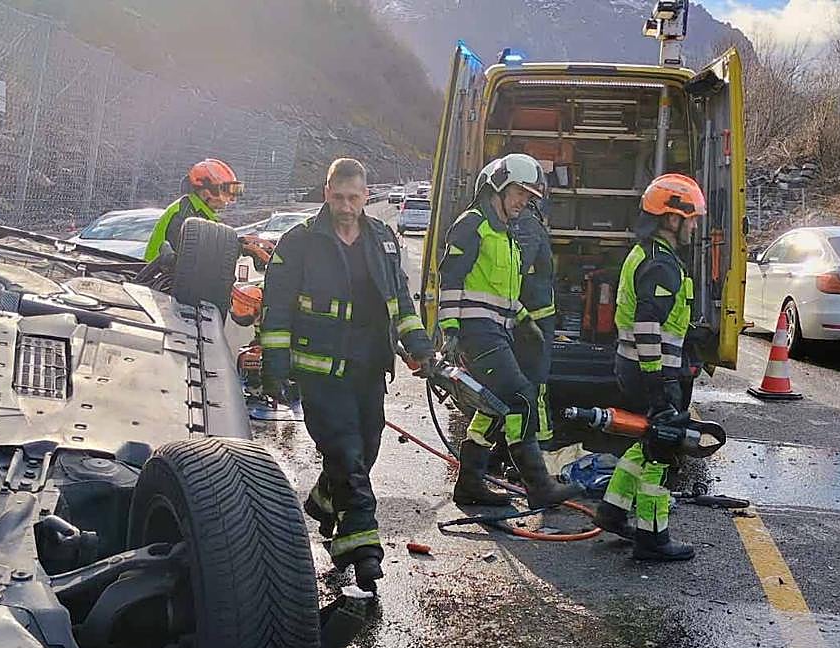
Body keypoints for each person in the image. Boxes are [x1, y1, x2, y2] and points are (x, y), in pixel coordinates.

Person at [260, 158, 434, 592]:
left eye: (354, 198)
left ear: (366, 197)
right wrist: (276, 364)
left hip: (370, 366)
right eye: (338, 197)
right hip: (321, 373)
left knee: (366, 450)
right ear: (325, 194)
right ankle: (362, 552)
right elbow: (276, 308)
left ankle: (323, 502)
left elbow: (399, 302)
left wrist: (420, 346)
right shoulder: (298, 243)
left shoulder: (382, 239)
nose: (345, 206)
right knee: (347, 454)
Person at [439, 154, 579, 509]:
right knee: (521, 398)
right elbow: (451, 280)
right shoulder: (473, 225)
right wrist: (450, 330)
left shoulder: (507, 236)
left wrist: (524, 321)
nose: (523, 201)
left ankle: (470, 484)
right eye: (519, 192)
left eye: (529, 196)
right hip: (476, 333)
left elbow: (501, 294)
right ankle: (539, 486)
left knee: (494, 405)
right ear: (497, 186)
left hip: (497, 331)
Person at [592, 173, 705, 562]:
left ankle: (612, 510)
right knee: (663, 449)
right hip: (650, 372)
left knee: (645, 441)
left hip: (634, 366)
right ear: (672, 219)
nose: (694, 226)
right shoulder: (661, 265)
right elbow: (647, 323)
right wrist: (659, 383)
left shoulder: (648, 255)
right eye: (690, 219)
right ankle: (652, 538)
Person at [512, 192, 557, 448]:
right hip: (531, 316)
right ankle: (534, 446)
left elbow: (516, 268)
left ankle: (538, 448)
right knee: (532, 384)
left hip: (531, 318)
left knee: (533, 385)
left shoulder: (525, 225)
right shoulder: (529, 223)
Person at [144, 158, 244, 261]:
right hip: (158, 276)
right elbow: (194, 254)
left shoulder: (202, 214)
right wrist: (238, 248)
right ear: (206, 191)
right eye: (225, 191)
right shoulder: (184, 215)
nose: (230, 198)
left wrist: (240, 244)